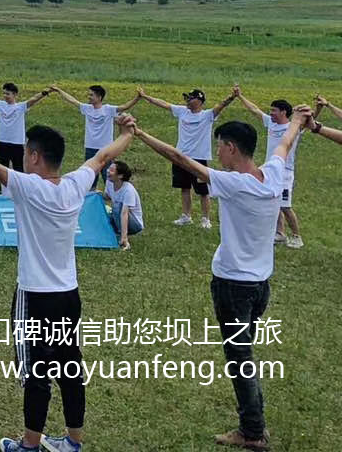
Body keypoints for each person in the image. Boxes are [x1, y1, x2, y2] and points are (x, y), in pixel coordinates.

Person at [0, 112, 135, 452]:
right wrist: (128, 133)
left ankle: (29, 446)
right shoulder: (76, 184)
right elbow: (103, 157)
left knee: (36, 373)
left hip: (34, 297)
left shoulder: (29, 187)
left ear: (33, 156)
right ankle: (73, 442)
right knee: (70, 366)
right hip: (68, 295)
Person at [124, 109, 306, 450]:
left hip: (234, 287)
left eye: (220, 146)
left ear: (233, 148)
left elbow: (180, 158)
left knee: (240, 358)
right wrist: (296, 121)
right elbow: (283, 144)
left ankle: (252, 430)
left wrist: (140, 134)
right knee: (243, 352)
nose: (217, 152)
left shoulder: (235, 183)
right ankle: (252, 424)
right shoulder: (273, 172)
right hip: (260, 286)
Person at [135, 86, 239, 228]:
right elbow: (163, 104)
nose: (187, 101)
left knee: (203, 191)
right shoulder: (182, 112)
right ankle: (186, 216)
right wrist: (145, 96)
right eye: (187, 98)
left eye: (191, 98)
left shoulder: (207, 115)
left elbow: (220, 106)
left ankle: (205, 219)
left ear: (199, 101)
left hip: (199, 158)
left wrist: (232, 97)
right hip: (180, 156)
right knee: (184, 188)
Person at [237, 93, 302, 248]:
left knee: (285, 205)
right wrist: (239, 96)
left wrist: (319, 107)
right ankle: (280, 233)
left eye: (274, 110)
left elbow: (308, 121)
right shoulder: (271, 124)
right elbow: (254, 109)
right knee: (274, 200)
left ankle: (297, 236)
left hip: (285, 172)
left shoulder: (292, 128)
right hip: (270, 169)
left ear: (283, 112)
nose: (271, 113)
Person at [47, 85, 141, 191]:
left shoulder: (108, 109)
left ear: (99, 97)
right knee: (90, 178)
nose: (89, 97)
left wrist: (138, 97)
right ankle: (91, 198)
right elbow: (72, 100)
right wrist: (59, 90)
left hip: (106, 149)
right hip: (90, 148)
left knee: (109, 177)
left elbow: (125, 107)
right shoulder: (87, 109)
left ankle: (113, 197)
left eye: (91, 95)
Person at [104, 161, 143, 250]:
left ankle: (121, 235)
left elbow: (124, 213)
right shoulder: (109, 182)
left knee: (118, 207)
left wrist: (124, 237)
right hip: (117, 215)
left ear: (120, 176)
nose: (108, 171)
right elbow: (107, 196)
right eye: (109, 169)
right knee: (103, 210)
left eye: (112, 170)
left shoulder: (128, 190)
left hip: (134, 224)